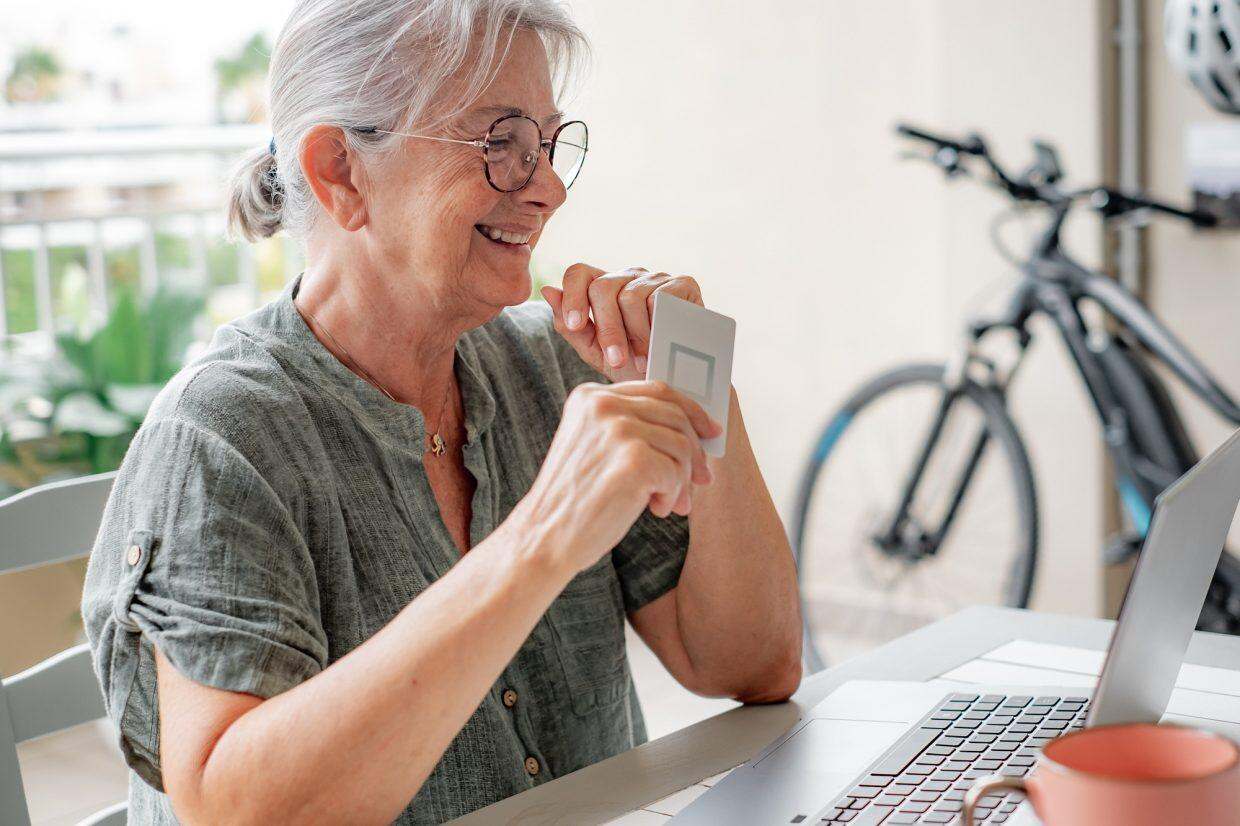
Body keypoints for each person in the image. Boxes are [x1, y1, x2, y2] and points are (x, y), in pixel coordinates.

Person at [80, 1, 801, 823]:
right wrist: (543, 536)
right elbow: (235, 810)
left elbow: (754, 666)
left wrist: (699, 385)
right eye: (501, 144)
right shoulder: (223, 436)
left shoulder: (550, 369)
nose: (551, 188)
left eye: (549, 143)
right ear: (339, 173)